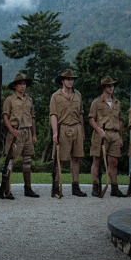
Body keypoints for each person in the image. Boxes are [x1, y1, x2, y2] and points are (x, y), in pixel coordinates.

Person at [0, 72, 39, 199]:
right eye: (20, 84)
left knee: (27, 160)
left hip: (27, 132)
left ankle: (28, 188)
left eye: (24, 84)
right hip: (15, 132)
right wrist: (11, 130)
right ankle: (5, 189)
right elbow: (5, 116)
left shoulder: (29, 100)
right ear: (15, 86)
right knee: (10, 160)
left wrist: (34, 134)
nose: (23, 86)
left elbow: (32, 117)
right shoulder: (9, 100)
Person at [49, 69, 87, 197]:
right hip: (63, 128)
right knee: (60, 158)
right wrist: (55, 133)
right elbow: (53, 115)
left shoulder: (78, 95)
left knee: (76, 158)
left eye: (72, 79)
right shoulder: (56, 96)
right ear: (62, 81)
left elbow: (81, 113)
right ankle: (56, 186)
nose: (71, 81)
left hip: (76, 127)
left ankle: (75, 186)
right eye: (68, 79)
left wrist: (82, 130)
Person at [89, 76, 126, 197]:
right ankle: (95, 186)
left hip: (114, 133)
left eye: (113, 85)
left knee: (114, 161)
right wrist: (98, 130)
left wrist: (121, 136)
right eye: (109, 86)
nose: (112, 88)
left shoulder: (117, 102)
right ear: (104, 87)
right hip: (101, 133)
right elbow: (91, 119)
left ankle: (114, 187)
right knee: (97, 159)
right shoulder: (96, 102)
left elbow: (120, 120)